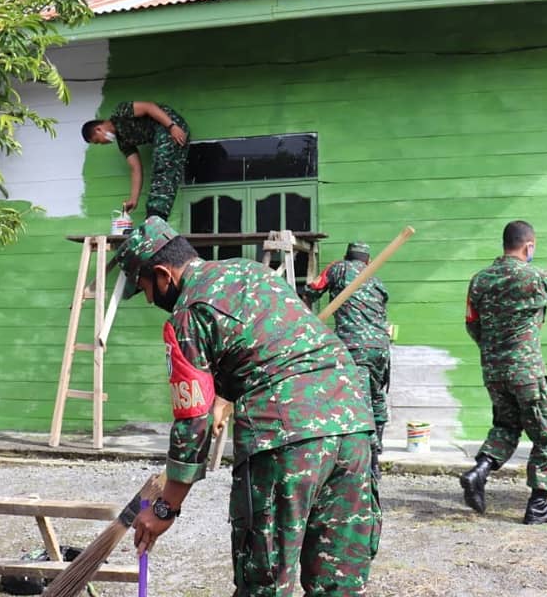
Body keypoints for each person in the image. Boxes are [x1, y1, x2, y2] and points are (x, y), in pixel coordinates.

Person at [123, 217, 380, 595]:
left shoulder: (188, 312)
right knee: (338, 583)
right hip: (353, 424)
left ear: (163, 274)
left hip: (285, 436)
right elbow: (267, 347)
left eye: (145, 286)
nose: (148, 298)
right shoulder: (252, 272)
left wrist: (165, 508)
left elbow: (192, 421)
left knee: (265, 582)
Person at [459, 220, 547, 525]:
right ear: (529, 246)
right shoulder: (534, 278)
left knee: (507, 426)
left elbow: (472, 323)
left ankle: (479, 471)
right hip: (526, 372)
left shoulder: (479, 280)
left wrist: (493, 349)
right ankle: (538, 506)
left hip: (493, 371)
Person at [303, 241, 391, 479]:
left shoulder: (338, 268)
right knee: (376, 396)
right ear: (368, 261)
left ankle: (371, 463)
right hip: (381, 347)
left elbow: (312, 289)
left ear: (347, 256)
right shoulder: (376, 280)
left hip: (356, 348)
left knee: (360, 403)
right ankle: (377, 452)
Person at [81, 101, 191, 219]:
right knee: (167, 170)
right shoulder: (123, 142)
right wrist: (133, 199)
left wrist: (172, 126)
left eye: (98, 141)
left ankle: (156, 214)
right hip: (163, 135)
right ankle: (157, 215)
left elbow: (149, 107)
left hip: (169, 126)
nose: (101, 144)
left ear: (99, 129)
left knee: (162, 164)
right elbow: (135, 168)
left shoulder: (120, 113)